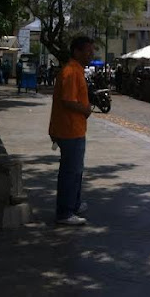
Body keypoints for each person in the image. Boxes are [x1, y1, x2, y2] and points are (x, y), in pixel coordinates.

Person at [49, 36, 95, 226]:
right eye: (88, 51)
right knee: (70, 171)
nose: (91, 55)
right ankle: (65, 212)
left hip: (74, 128)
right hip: (69, 130)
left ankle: (73, 204)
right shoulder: (70, 71)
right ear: (76, 51)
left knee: (76, 171)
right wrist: (85, 109)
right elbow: (68, 101)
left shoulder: (77, 71)